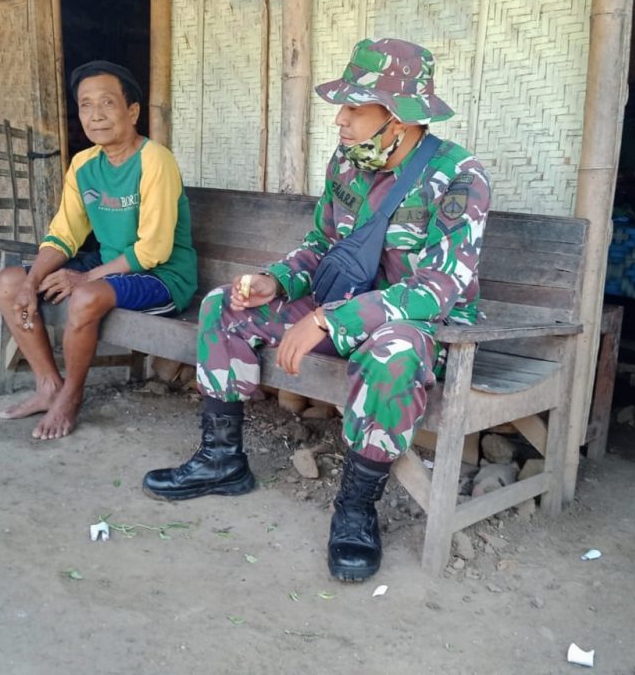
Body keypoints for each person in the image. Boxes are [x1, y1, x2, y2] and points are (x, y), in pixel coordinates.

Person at [142, 38, 491, 581]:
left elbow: (439, 289)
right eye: (343, 107)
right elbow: (322, 247)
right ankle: (221, 461)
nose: (341, 121)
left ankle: (354, 509)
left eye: (355, 108)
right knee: (223, 306)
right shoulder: (348, 165)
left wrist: (331, 319)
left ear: (398, 116)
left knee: (392, 355)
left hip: (419, 328)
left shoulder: (459, 177)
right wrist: (273, 281)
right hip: (338, 307)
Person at [0, 60, 197, 440]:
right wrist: (32, 280)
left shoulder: (155, 160)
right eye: (86, 105)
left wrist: (84, 276)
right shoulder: (84, 165)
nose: (95, 115)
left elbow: (153, 249)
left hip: (164, 277)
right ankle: (48, 386)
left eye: (107, 103)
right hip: (111, 267)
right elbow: (64, 234)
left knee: (84, 297)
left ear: (132, 111)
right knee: (9, 282)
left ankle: (71, 396)